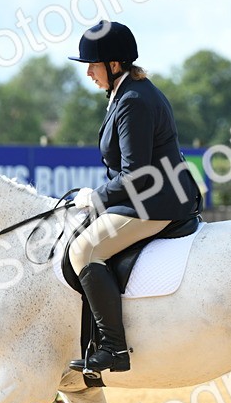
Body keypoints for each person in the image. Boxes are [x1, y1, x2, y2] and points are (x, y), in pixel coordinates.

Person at [66, 20, 202, 374]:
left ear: (114, 65)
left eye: (92, 66)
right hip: (148, 196)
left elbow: (135, 175)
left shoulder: (134, 101)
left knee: (85, 250)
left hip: (157, 202)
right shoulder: (127, 94)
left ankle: (113, 348)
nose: (88, 74)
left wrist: (95, 197)